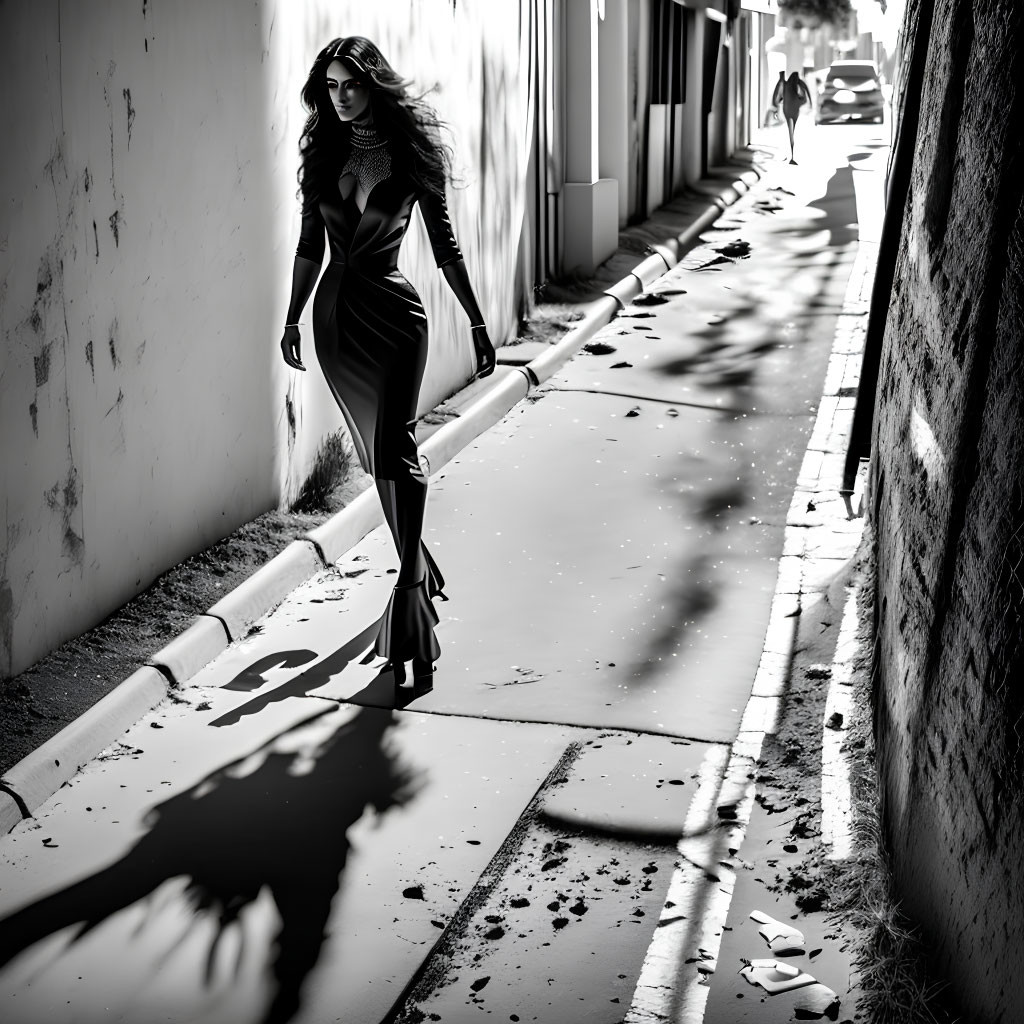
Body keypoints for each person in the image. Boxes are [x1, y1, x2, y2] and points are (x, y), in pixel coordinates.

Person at [280, 37, 496, 691]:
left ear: (375, 84)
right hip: (335, 323)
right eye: (331, 86)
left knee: (397, 447)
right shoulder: (322, 155)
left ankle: (408, 599)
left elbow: (446, 245)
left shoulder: (409, 155)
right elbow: (309, 247)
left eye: (351, 83)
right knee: (378, 454)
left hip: (396, 316)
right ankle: (418, 566)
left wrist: (478, 320)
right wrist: (290, 317)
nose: (340, 96)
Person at [773, 70, 812, 164]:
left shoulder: (786, 84)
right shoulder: (798, 83)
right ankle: (792, 154)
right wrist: (808, 103)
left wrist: (777, 103)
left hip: (787, 109)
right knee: (792, 130)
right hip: (795, 109)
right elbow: (806, 93)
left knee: (789, 131)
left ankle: (790, 154)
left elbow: (777, 93)